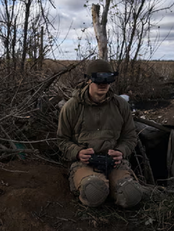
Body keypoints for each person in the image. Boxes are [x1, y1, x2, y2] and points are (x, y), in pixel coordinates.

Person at [57, 59, 142, 208]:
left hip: (114, 162)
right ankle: (97, 187)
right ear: (89, 80)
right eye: (98, 79)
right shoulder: (72, 107)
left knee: (132, 195)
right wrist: (78, 153)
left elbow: (130, 137)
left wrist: (121, 152)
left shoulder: (121, 105)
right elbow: (62, 140)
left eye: (107, 79)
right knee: (94, 193)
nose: (103, 84)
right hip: (85, 163)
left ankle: (114, 187)